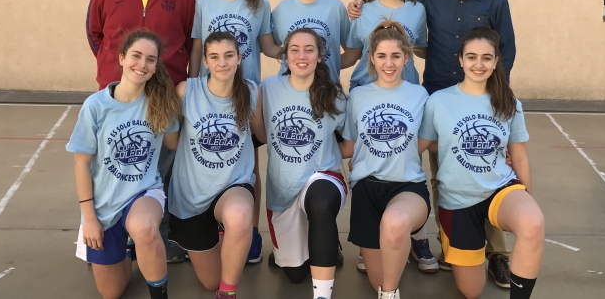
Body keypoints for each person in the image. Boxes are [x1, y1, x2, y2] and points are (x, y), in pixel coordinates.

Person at [348, 0, 515, 284]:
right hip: (438, 90)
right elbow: (394, 23)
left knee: (484, 165)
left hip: (480, 97)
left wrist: (498, 104)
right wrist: (360, 3)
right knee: (439, 174)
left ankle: (496, 252)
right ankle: (450, 246)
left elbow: (506, 52)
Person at [85, 0, 195, 263]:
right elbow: (95, 34)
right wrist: (114, 69)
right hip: (119, 99)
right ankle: (106, 238)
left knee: (161, 170)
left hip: (163, 98)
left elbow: (190, 39)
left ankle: (158, 238)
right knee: (112, 168)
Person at [418, 26, 543, 299]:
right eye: (472, 57)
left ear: (496, 61)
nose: (479, 64)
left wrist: (526, 198)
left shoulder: (508, 102)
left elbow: (519, 156)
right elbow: (423, 144)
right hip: (457, 200)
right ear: (460, 60)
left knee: (533, 223)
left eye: (486, 58)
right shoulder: (439, 101)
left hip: (499, 188)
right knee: (471, 291)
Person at [68, 30, 180, 299]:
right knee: (111, 292)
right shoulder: (95, 106)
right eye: (136, 56)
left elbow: (173, 143)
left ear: (156, 66)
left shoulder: (159, 103)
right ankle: (130, 252)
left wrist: (176, 106)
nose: (142, 64)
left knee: (144, 228)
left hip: (144, 192)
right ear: (121, 58)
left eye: (150, 59)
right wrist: (89, 219)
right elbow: (81, 164)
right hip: (103, 205)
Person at [189, 0, 281, 264]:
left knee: (248, 168)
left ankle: (251, 233)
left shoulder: (258, 3)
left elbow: (268, 46)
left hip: (244, 96)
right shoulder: (203, 3)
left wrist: (299, 50)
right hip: (210, 96)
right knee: (209, 161)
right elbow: (197, 48)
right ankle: (211, 228)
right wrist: (192, 85)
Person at [167, 31, 266, 299]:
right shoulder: (186, 90)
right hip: (192, 193)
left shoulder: (251, 92)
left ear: (239, 58)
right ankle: (223, 236)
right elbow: (172, 142)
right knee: (211, 281)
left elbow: (261, 136)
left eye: (229, 55)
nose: (222, 63)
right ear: (205, 62)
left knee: (240, 217)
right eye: (214, 57)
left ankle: (228, 294)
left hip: (233, 184)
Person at [341, 21, 433, 299]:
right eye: (381, 56)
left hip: (407, 186)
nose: (389, 63)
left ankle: (389, 295)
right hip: (367, 190)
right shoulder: (358, 96)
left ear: (406, 58)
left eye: (395, 56)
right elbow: (349, 146)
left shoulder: (420, 95)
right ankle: (388, 287)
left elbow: (431, 140)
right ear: (371, 58)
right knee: (379, 280)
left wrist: (497, 152)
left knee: (394, 223)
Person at [256, 28, 350, 299]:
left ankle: (322, 294)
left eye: (309, 50)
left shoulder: (333, 94)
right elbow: (261, 134)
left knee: (320, 203)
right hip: (283, 190)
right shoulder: (269, 88)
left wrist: (323, 152)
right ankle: (319, 241)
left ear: (319, 56)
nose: (302, 56)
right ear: (285, 56)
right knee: (295, 275)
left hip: (322, 177)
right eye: (294, 50)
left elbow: (349, 143)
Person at [343, 0, 427, 90]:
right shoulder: (360, 11)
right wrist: (315, 61)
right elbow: (350, 57)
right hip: (366, 89)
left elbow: (420, 49)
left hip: (406, 90)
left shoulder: (417, 10)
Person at [271, 0, 352, 83]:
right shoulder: (282, 8)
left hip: (327, 87)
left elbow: (351, 53)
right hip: (289, 87)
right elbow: (268, 47)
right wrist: (294, 59)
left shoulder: (335, 7)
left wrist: (330, 65)